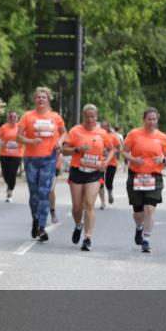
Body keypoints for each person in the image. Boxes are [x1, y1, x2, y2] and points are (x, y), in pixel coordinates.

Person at [17, 87, 66, 242]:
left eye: (43, 97)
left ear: (48, 99)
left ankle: (42, 227)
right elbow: (18, 137)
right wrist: (31, 141)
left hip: (49, 158)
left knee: (44, 192)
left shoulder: (55, 117)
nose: (40, 100)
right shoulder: (27, 116)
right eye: (38, 97)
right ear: (34, 100)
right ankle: (35, 219)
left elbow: (65, 132)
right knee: (34, 194)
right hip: (31, 158)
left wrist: (59, 141)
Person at [63, 105, 113, 251]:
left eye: (93, 117)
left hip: (94, 173)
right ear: (83, 116)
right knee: (77, 208)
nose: (90, 119)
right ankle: (79, 225)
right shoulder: (75, 131)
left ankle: (87, 238)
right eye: (87, 117)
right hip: (77, 171)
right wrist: (77, 149)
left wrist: (106, 161)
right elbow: (64, 150)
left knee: (89, 203)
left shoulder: (102, 133)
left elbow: (112, 149)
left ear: (96, 116)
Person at [122, 108, 166, 254]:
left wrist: (162, 159)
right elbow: (124, 151)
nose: (151, 122)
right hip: (136, 176)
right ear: (144, 119)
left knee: (149, 209)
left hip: (154, 177)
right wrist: (134, 159)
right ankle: (139, 226)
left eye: (154, 119)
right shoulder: (134, 134)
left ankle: (146, 239)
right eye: (149, 119)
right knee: (138, 213)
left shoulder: (162, 137)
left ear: (157, 120)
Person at [0, 111, 23, 203]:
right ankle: (9, 185)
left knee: (12, 173)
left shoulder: (20, 127)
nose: (13, 118)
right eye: (11, 116)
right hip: (4, 154)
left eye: (14, 117)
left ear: (17, 118)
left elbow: (25, 138)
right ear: (8, 118)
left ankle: (10, 191)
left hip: (16, 155)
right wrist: (2, 143)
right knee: (5, 173)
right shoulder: (4, 127)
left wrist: (20, 142)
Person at [97, 122, 122, 209]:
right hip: (100, 163)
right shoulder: (97, 136)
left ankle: (110, 192)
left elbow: (119, 148)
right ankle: (103, 202)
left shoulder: (113, 136)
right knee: (100, 182)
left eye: (105, 126)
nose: (103, 128)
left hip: (111, 162)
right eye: (102, 126)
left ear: (108, 127)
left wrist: (113, 152)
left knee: (108, 182)